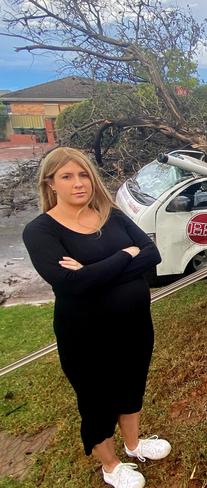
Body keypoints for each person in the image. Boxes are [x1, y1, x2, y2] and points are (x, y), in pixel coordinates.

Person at [22, 147, 170, 488]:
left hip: (134, 326)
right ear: (51, 183)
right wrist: (123, 256)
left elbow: (153, 255)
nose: (79, 183)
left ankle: (134, 445)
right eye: (67, 176)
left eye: (84, 174)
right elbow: (70, 284)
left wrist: (92, 271)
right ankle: (111, 465)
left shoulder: (111, 214)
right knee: (96, 399)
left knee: (132, 385)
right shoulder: (41, 231)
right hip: (85, 334)